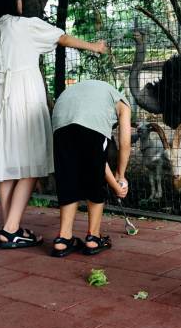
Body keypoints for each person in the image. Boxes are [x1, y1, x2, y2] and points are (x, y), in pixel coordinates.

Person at [0, 0, 108, 249]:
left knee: (6, 169)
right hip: (26, 101)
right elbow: (62, 38)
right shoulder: (25, 26)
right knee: (31, 165)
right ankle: (9, 231)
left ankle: (11, 228)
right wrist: (94, 47)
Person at [49, 79, 132, 257]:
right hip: (88, 119)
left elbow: (95, 159)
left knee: (68, 177)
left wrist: (115, 181)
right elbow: (125, 144)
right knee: (95, 180)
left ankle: (63, 240)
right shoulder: (124, 103)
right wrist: (120, 177)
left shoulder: (96, 92)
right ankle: (93, 238)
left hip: (60, 117)